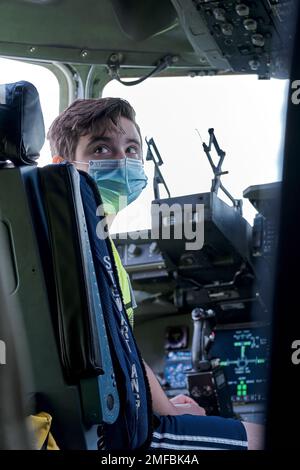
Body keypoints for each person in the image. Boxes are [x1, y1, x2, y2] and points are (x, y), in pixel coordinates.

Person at [47, 97, 264, 450]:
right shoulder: (78, 249)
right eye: (101, 148)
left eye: (132, 149)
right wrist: (170, 412)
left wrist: (165, 405)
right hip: (118, 437)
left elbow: (118, 349)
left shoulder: (93, 243)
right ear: (61, 167)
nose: (122, 160)